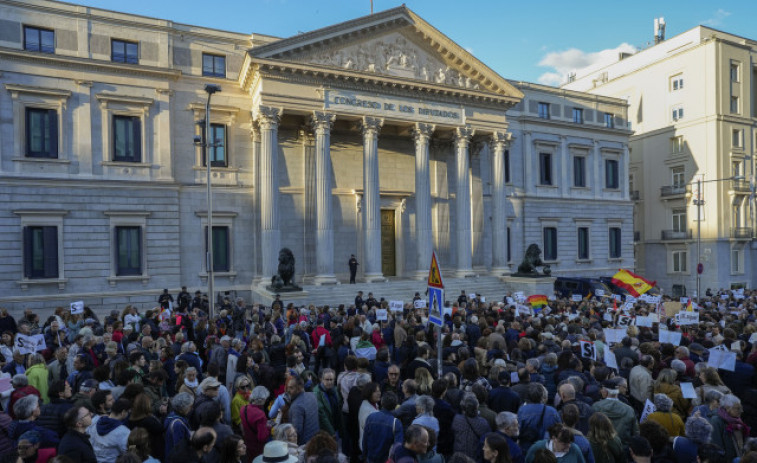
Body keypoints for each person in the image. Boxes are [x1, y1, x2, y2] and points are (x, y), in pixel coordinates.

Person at [591, 380, 637, 448]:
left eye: (602, 389)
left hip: (601, 448)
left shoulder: (595, 407)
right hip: (623, 449)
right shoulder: (629, 410)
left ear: (605, 391)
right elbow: (635, 433)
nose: (600, 391)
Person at [363, 392, 403, 463]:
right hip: (386, 460)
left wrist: (364, 456)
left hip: (370, 458)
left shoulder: (370, 417)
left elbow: (365, 440)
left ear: (382, 402)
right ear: (395, 405)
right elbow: (398, 447)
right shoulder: (396, 423)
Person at [709, 394, 749, 462]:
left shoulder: (736, 420)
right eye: (738, 408)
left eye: (741, 408)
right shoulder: (716, 421)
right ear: (727, 408)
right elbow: (717, 446)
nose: (742, 411)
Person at [89, 398, 131, 463]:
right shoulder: (124, 431)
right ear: (123, 412)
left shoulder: (94, 421)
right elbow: (129, 451)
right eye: (128, 412)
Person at [240, 386, 271, 462]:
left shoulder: (244, 408)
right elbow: (262, 437)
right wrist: (268, 427)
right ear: (263, 399)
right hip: (257, 447)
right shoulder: (260, 415)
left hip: (247, 443)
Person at [287, 375, 319, 445]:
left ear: (299, 389)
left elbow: (296, 431)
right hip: (315, 440)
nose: (288, 390)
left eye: (291, 388)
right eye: (288, 387)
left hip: (304, 445)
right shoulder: (312, 395)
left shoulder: (297, 406)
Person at [164, 392, 194, 459]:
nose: (192, 408)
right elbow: (179, 450)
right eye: (190, 406)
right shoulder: (178, 425)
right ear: (183, 407)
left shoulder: (171, 415)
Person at [314, 368, 343, 437]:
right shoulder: (317, 393)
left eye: (331, 380)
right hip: (326, 430)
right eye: (327, 380)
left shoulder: (335, 390)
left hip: (336, 426)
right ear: (322, 379)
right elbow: (322, 415)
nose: (329, 382)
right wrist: (331, 432)